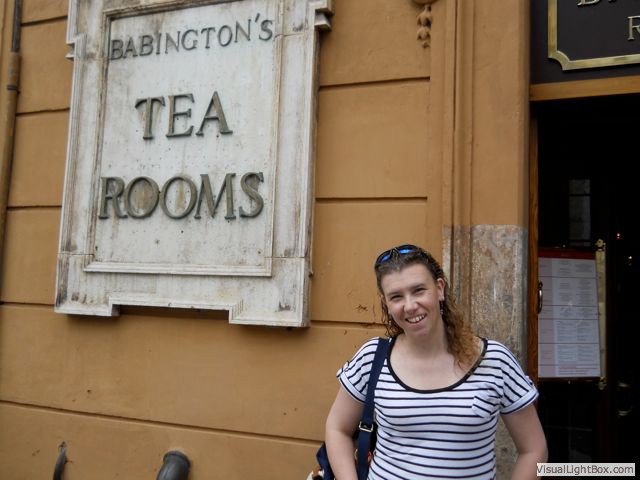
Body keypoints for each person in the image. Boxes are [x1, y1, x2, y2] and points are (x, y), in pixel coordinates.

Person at [324, 244, 547, 479]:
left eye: (419, 290)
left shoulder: (494, 361)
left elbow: (534, 449)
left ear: (439, 289)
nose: (410, 306)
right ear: (386, 303)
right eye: (396, 297)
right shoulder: (372, 357)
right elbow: (337, 428)